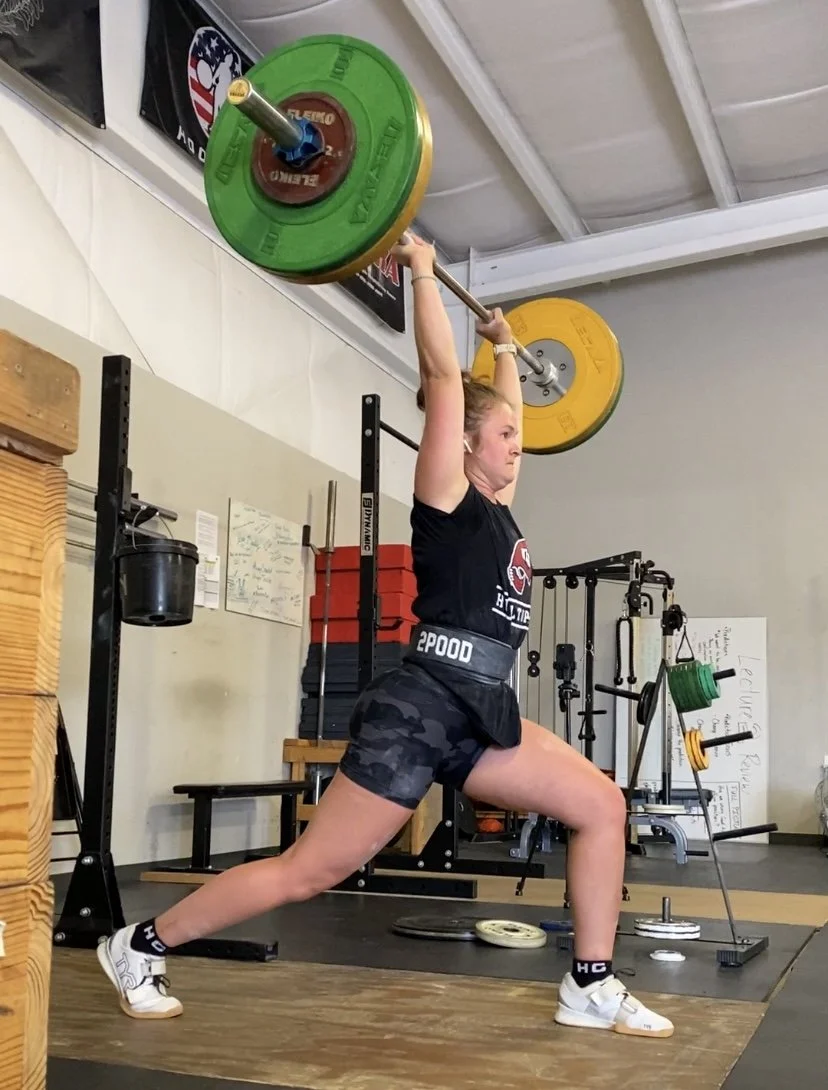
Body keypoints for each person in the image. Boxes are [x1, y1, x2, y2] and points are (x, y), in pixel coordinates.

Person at [96, 234, 674, 1039]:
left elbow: (497, 408)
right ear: (465, 442)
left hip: (480, 712)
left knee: (601, 804)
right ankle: (137, 945)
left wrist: (506, 347)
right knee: (311, 871)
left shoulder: (498, 512)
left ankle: (590, 985)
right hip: (419, 708)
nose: (519, 444)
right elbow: (442, 381)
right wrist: (425, 277)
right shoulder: (445, 497)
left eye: (518, 435)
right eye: (506, 435)